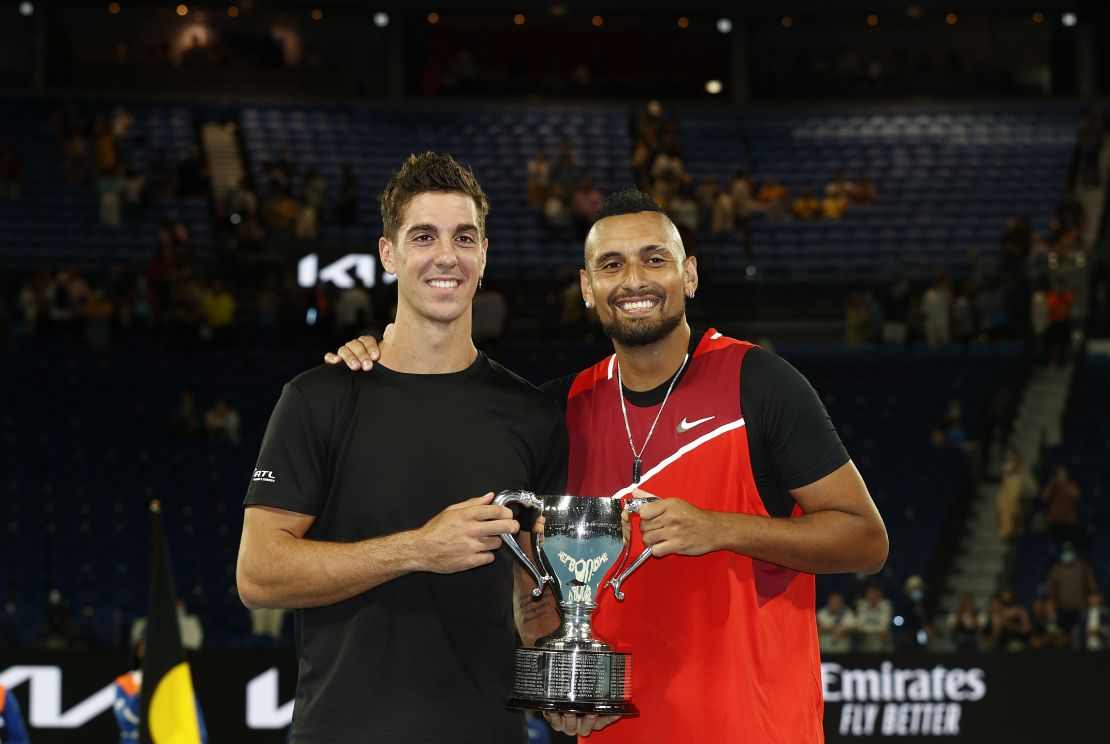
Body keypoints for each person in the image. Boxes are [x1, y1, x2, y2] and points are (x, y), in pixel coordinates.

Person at [328, 188, 889, 742]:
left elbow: (865, 541)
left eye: (655, 259)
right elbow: (530, 574)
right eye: (611, 265)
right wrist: (377, 358)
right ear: (587, 288)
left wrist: (720, 528)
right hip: (608, 732)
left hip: (754, 729)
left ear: (688, 275)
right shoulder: (557, 410)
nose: (635, 281)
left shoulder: (759, 384)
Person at [237, 152, 566, 744]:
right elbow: (259, 574)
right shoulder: (320, 398)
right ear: (388, 254)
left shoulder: (532, 415)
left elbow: (533, 590)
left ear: (484, 255)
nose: (447, 256)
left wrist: (562, 684)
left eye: (464, 237)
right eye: (424, 236)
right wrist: (418, 549)